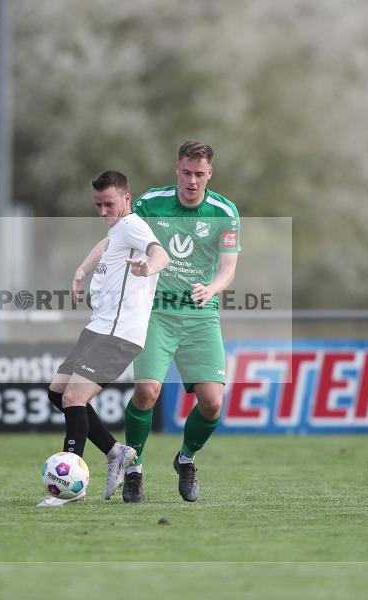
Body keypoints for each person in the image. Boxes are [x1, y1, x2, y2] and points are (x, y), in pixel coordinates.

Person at [75, 141, 240, 503]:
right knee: (147, 392)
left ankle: (186, 459)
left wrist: (211, 288)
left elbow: (228, 270)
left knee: (212, 404)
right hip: (155, 312)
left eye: (199, 174)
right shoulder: (151, 202)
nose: (192, 181)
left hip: (200, 315)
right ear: (176, 169)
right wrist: (85, 269)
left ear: (210, 173)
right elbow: (115, 237)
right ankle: (133, 467)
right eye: (186, 172)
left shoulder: (225, 212)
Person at [37, 170, 170, 508]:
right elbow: (108, 241)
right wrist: (82, 270)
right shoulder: (119, 228)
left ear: (127, 199)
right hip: (99, 328)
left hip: (120, 333)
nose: (102, 211)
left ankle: (71, 486)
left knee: (73, 398)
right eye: (97, 205)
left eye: (109, 204)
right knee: (57, 393)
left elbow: (161, 253)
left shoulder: (134, 224)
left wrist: (148, 268)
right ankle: (116, 452)